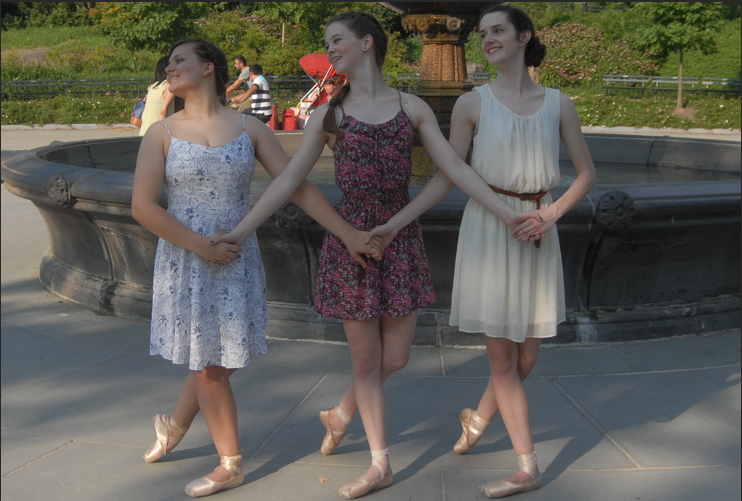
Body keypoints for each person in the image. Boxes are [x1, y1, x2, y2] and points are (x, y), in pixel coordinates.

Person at [212, 11, 538, 499]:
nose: (331, 49)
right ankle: (379, 463)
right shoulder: (329, 114)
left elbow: (451, 169)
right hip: (352, 243)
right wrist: (240, 230)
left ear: (367, 43)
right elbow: (288, 180)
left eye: (337, 40)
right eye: (328, 42)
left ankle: (341, 413)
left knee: (398, 357)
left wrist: (506, 213)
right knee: (367, 363)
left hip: (397, 237)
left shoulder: (413, 108)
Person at [132, 38, 382, 499]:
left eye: (179, 60)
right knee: (209, 362)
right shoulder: (161, 133)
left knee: (218, 360)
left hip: (236, 256)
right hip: (188, 258)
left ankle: (174, 424)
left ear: (209, 68)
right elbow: (143, 208)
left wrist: (346, 233)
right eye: (167, 62)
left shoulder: (251, 129)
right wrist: (200, 245)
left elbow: (298, 186)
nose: (169, 68)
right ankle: (231, 464)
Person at [366, 4, 597, 498]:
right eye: (484, 33)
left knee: (528, 356)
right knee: (502, 362)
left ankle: (480, 417)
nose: (488, 39)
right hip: (493, 231)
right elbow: (450, 170)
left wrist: (549, 216)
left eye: (498, 31)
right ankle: (527, 466)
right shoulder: (472, 103)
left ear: (523, 37)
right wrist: (397, 221)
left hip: (539, 226)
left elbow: (586, 175)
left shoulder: (560, 103)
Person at [139, 56, 175, 136]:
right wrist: (164, 134)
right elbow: (163, 111)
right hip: (157, 132)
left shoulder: (152, 86)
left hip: (145, 129)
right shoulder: (169, 87)